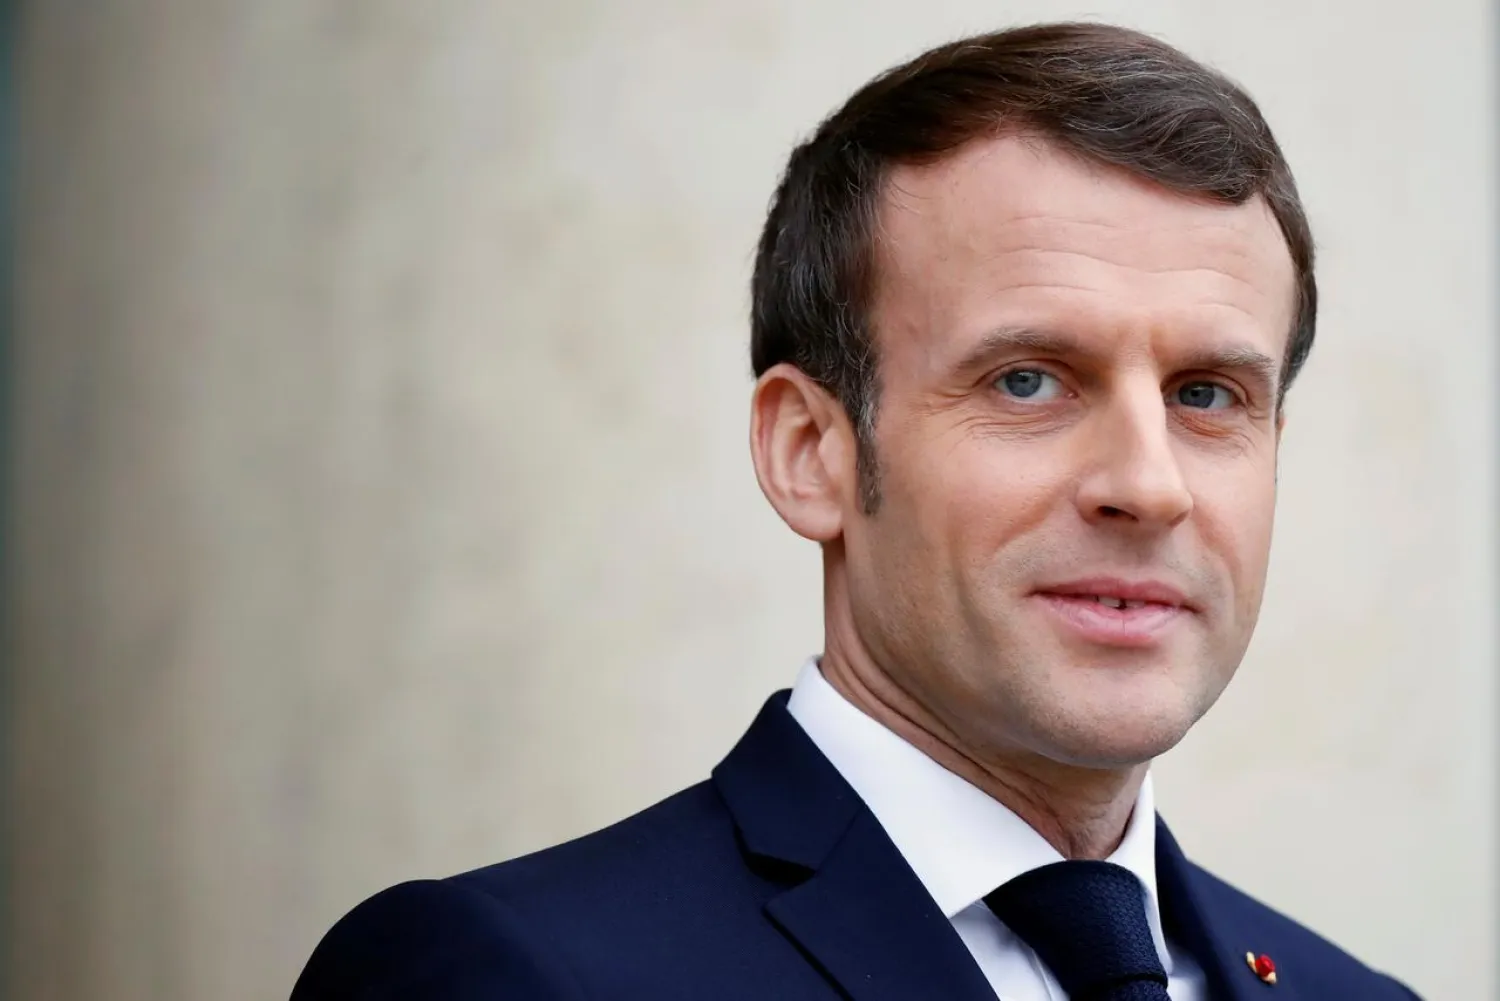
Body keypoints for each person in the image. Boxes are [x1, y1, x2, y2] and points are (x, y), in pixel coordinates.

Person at [291, 22, 1423, 1000]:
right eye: (1029, 378)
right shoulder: (513, 974)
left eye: (1208, 395)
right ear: (809, 453)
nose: (1150, 482)